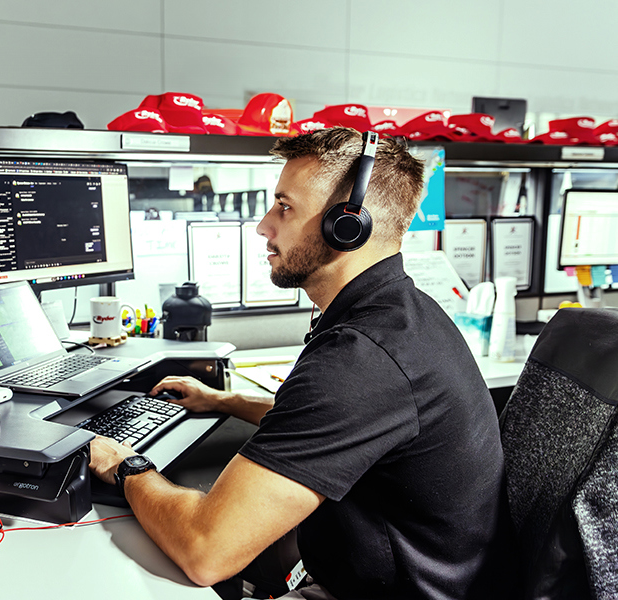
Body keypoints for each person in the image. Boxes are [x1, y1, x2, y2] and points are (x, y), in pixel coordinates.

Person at [89, 127, 513, 600]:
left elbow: (204, 550)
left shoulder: (362, 359)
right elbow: (330, 429)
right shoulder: (402, 313)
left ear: (348, 225)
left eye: (284, 207)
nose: (263, 225)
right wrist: (224, 401)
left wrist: (126, 465)